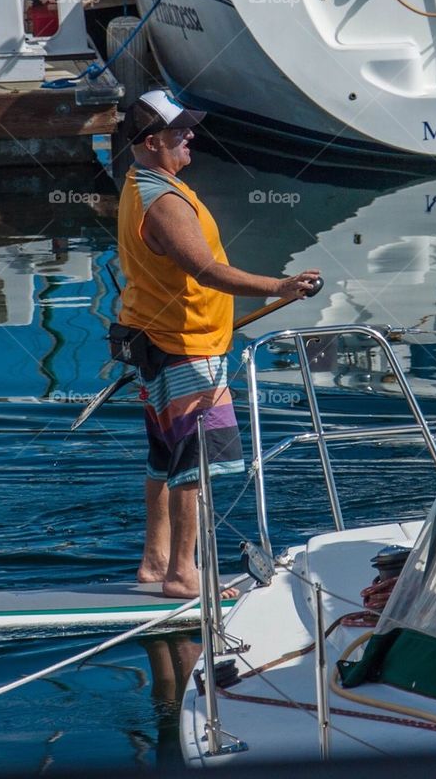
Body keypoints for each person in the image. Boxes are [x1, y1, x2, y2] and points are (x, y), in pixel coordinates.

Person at [116, 89, 320, 599]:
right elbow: (207, 271)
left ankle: (156, 561)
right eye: (179, 129)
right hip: (187, 347)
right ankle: (184, 575)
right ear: (150, 140)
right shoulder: (163, 202)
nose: (191, 135)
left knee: (165, 457)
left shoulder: (140, 184)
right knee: (195, 461)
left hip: (157, 341)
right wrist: (281, 286)